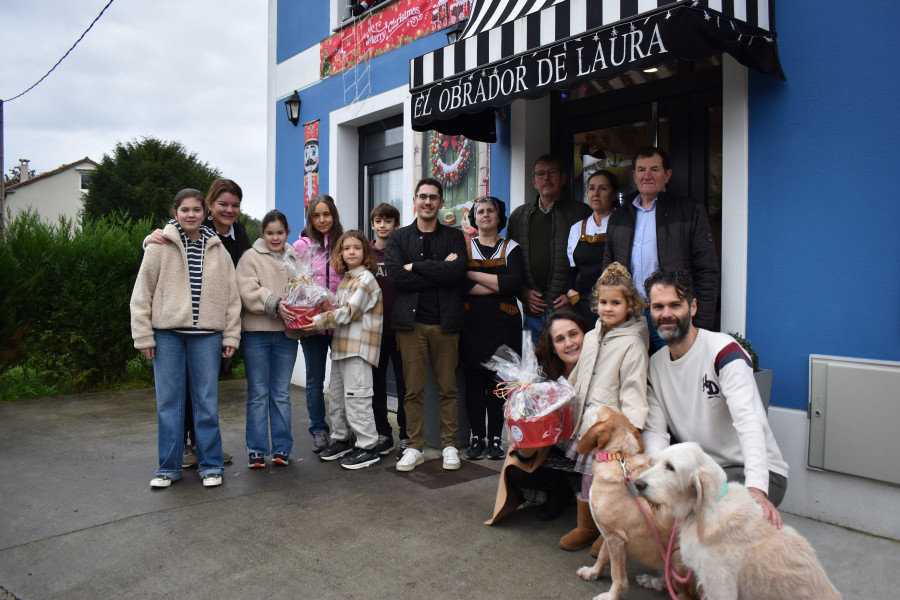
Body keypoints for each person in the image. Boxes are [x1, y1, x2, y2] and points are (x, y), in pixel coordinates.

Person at [642, 267, 789, 528]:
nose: (666, 314)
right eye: (658, 306)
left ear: (693, 307)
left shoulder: (723, 351)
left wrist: (756, 489)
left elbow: (749, 420)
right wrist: (658, 474)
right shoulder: (655, 365)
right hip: (700, 473)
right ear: (649, 310)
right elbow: (655, 431)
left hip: (750, 470)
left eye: (675, 305)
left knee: (707, 521)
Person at [131, 188, 241, 488]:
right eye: (185, 210)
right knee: (169, 404)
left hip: (207, 336)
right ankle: (168, 469)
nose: (191, 215)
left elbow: (232, 298)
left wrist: (231, 334)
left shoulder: (218, 249)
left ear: (204, 212)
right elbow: (141, 295)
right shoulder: (158, 246)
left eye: (196, 209)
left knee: (206, 402)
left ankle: (211, 466)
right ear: (175, 212)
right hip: (167, 336)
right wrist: (144, 337)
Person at [558, 262, 649, 552]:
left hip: (608, 429)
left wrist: (633, 429)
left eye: (616, 303)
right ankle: (586, 525)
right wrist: (562, 396)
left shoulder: (632, 343)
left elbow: (634, 388)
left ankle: (609, 531)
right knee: (585, 480)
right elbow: (580, 372)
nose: (607, 308)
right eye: (603, 302)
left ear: (630, 305)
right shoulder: (595, 334)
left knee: (607, 484)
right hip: (586, 421)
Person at [601, 146, 719, 353]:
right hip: (629, 316)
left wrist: (701, 323)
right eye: (641, 170)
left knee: (674, 378)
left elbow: (706, 270)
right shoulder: (618, 217)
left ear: (667, 175)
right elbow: (608, 269)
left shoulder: (690, 212)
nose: (647, 175)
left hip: (670, 316)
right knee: (632, 380)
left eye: (654, 169)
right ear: (634, 175)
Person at [385, 177, 467, 472]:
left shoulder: (454, 236)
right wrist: (440, 268)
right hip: (411, 324)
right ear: (415, 201)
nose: (428, 202)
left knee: (448, 389)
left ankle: (449, 446)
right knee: (413, 391)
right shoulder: (398, 238)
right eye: (423, 197)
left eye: (434, 197)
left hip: (446, 323)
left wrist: (417, 266)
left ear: (441, 202)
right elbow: (396, 276)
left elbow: (457, 273)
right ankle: (415, 446)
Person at [486, 309, 590, 526]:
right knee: (516, 469)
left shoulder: (602, 370)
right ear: (552, 347)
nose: (569, 343)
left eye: (574, 334)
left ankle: (583, 501)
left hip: (588, 447)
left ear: (587, 335)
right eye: (560, 339)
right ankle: (559, 491)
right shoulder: (544, 377)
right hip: (552, 445)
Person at [301, 230, 384, 470]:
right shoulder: (346, 279)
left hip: (358, 349)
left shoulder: (366, 279)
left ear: (365, 252)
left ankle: (368, 446)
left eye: (357, 248)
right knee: (336, 398)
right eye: (346, 248)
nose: (351, 252)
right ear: (340, 253)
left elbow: (349, 312)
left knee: (358, 398)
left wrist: (317, 321)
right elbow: (337, 308)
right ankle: (341, 439)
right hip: (340, 348)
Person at [460, 196, 524, 461]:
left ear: (499, 217)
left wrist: (472, 274)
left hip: (504, 326)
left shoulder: (512, 248)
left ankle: (496, 439)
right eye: (480, 211)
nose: (485, 215)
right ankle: (477, 438)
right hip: (472, 325)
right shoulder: (463, 247)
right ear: (474, 219)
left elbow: (513, 284)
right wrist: (496, 283)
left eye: (490, 211)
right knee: (474, 384)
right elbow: (458, 285)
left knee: (499, 385)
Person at [235, 210, 300, 469]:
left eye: (280, 233)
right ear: (262, 233)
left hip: (286, 335)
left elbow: (302, 288)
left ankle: (282, 448)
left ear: (287, 233)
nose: (275, 238)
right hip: (257, 335)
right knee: (258, 393)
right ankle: (256, 450)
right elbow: (247, 291)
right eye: (270, 233)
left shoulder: (295, 258)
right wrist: (275, 302)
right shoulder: (250, 257)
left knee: (281, 394)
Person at [507, 155, 592, 346]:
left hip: (566, 308)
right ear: (534, 181)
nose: (546, 179)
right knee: (534, 368)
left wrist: (575, 295)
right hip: (532, 311)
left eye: (552, 173)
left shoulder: (581, 213)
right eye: (540, 174)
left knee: (568, 364)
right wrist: (523, 293)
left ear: (563, 178)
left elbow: (591, 262)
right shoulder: (518, 216)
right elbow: (510, 264)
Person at [293, 194, 344, 454]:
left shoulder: (344, 244)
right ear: (310, 219)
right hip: (311, 325)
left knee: (343, 378)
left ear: (334, 215)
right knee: (315, 379)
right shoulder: (301, 246)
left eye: (327, 214)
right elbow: (292, 284)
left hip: (340, 323)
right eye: (317, 215)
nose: (322, 220)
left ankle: (343, 427)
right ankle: (319, 430)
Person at [369, 203, 408, 457]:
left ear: (396, 224)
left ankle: (406, 435)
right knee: (376, 385)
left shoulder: (402, 252)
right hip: (373, 332)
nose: (383, 225)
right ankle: (383, 433)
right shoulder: (365, 253)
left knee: (406, 387)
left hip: (401, 330)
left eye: (389, 221)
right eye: (378, 221)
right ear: (372, 224)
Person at [566, 170, 619, 322]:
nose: (595, 193)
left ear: (614, 194)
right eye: (591, 188)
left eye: (602, 188)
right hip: (583, 307)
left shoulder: (622, 224)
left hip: (614, 307)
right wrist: (572, 294)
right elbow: (572, 269)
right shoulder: (577, 228)